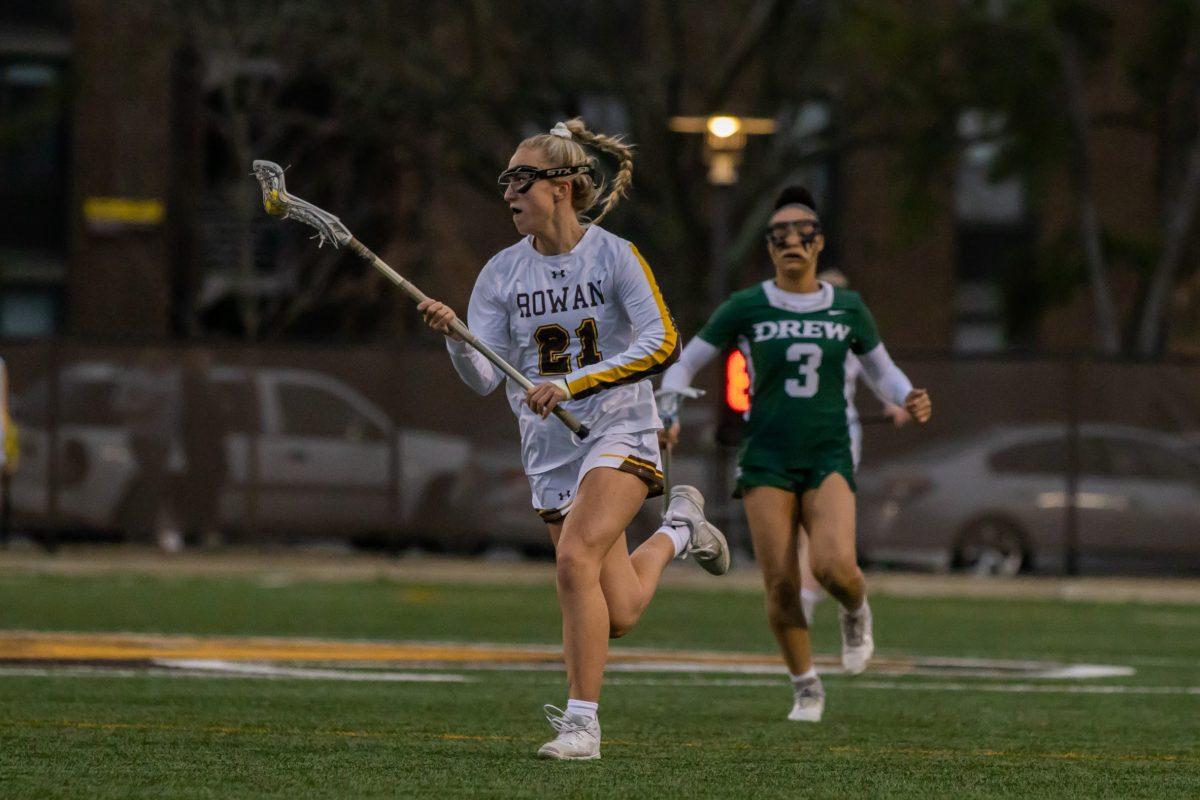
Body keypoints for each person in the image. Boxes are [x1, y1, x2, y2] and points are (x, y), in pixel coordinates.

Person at [418, 119, 730, 760]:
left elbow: (661, 341)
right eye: (505, 179)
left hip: (618, 427)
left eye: (521, 177)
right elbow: (483, 377)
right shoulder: (500, 274)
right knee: (617, 612)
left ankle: (582, 725)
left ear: (562, 186)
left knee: (572, 563)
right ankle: (678, 529)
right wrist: (457, 340)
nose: (508, 189)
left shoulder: (615, 256)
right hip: (549, 449)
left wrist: (573, 385)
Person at [659, 186, 932, 723]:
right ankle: (805, 685)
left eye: (801, 233)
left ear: (819, 242)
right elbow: (686, 361)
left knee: (834, 565)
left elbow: (883, 369)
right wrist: (668, 410)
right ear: (768, 246)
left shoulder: (848, 307)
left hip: (828, 449)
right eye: (778, 234)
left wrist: (907, 396)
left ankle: (856, 609)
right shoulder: (748, 304)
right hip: (767, 454)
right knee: (781, 583)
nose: (790, 241)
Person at [797, 269, 911, 625]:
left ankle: (818, 597)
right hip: (797, 433)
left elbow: (878, 372)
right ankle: (804, 597)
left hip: (838, 437)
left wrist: (895, 401)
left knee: (824, 524)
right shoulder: (798, 328)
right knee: (802, 524)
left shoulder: (848, 332)